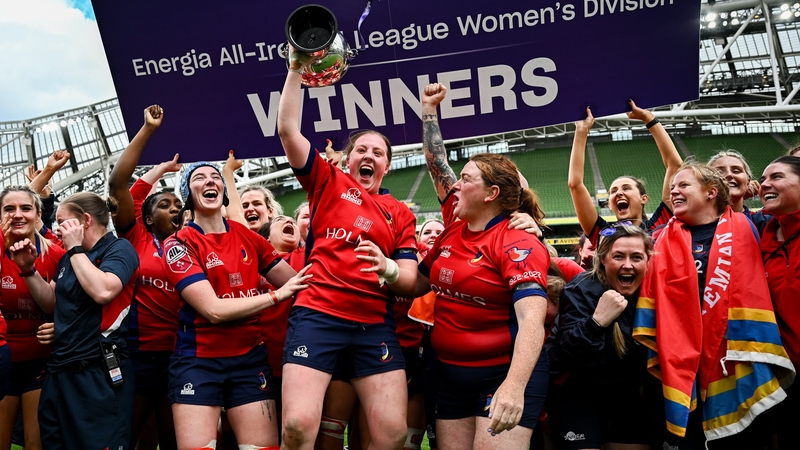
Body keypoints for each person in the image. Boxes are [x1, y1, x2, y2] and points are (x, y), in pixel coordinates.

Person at [277, 47, 419, 450]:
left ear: (388, 166)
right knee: (298, 427)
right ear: (348, 159)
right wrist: (296, 69)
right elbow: (288, 130)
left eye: (379, 152)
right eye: (362, 150)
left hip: (373, 322)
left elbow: (409, 280)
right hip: (318, 315)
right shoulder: (328, 182)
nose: (369, 156)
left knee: (392, 434)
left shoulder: (400, 214)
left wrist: (389, 269)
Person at [406, 82, 550, 449]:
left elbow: (532, 320)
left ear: (492, 194)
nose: (455, 187)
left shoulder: (518, 240)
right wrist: (428, 111)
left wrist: (514, 387)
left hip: (502, 376)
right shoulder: (455, 223)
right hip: (450, 376)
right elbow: (436, 162)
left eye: (465, 179)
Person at [633, 162, 794, 449]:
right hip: (678, 364)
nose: (674, 191)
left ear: (711, 192)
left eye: (684, 185)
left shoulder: (755, 227)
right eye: (673, 187)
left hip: (739, 362)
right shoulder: (656, 238)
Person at [161, 161, 311, 450]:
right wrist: (275, 296)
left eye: (215, 177)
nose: (209, 182)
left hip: (249, 359)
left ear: (224, 191)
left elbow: (294, 281)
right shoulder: (178, 243)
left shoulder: (249, 238)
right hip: (198, 361)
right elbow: (213, 310)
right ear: (188, 195)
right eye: (199, 178)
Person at [10, 192, 140, 449]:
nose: (56, 229)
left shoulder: (119, 249)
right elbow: (51, 301)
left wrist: (76, 248)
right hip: (61, 371)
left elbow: (103, 291)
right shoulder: (71, 258)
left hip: (97, 369)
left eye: (62, 221)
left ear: (86, 221)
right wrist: (28, 269)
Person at [107, 104, 181, 450]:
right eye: (165, 205)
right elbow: (119, 182)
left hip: (180, 356)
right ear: (147, 220)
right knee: (125, 438)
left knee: (172, 440)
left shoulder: (193, 244)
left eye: (178, 205)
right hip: (135, 356)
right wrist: (149, 130)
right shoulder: (135, 238)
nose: (175, 208)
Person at [546, 225, 652, 450]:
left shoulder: (653, 294)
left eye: (636, 257)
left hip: (626, 398)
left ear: (648, 261)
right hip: (577, 394)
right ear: (603, 259)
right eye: (618, 256)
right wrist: (596, 323)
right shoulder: (580, 289)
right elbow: (571, 356)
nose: (627, 265)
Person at [0, 185, 66, 450]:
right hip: (3, 357)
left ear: (38, 214)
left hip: (40, 359)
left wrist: (58, 326)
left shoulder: (57, 254)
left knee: (35, 442)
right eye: (9, 209)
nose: (18, 214)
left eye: (26, 208)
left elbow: (59, 308)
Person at [568, 103, 679, 248]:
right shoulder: (603, 234)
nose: (619, 192)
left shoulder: (661, 223)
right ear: (609, 204)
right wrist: (581, 130)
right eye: (613, 191)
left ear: (643, 198)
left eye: (626, 188)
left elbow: (675, 165)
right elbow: (575, 184)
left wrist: (649, 118)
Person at [759, 155, 800, 448]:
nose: (764, 184)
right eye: (762, 179)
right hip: (789, 376)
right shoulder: (765, 241)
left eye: (776, 177)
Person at [707, 150, 770, 234]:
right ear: (706, 183)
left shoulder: (765, 223)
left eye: (736, 171)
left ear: (748, 182)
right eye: (719, 172)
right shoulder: (694, 224)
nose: (729, 174)